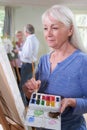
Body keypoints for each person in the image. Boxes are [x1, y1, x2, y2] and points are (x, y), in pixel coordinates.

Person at [23, 5, 87, 130]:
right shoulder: (43, 60)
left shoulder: (82, 62)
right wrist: (29, 92)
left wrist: (72, 102)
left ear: (70, 30)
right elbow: (37, 97)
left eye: (55, 28)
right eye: (45, 28)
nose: (48, 34)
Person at [16, 24, 40, 106]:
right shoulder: (35, 39)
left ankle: (23, 104)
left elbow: (26, 55)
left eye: (24, 31)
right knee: (29, 86)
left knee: (23, 86)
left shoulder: (29, 40)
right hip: (31, 64)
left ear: (26, 31)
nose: (23, 32)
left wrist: (18, 52)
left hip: (27, 65)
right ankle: (28, 103)